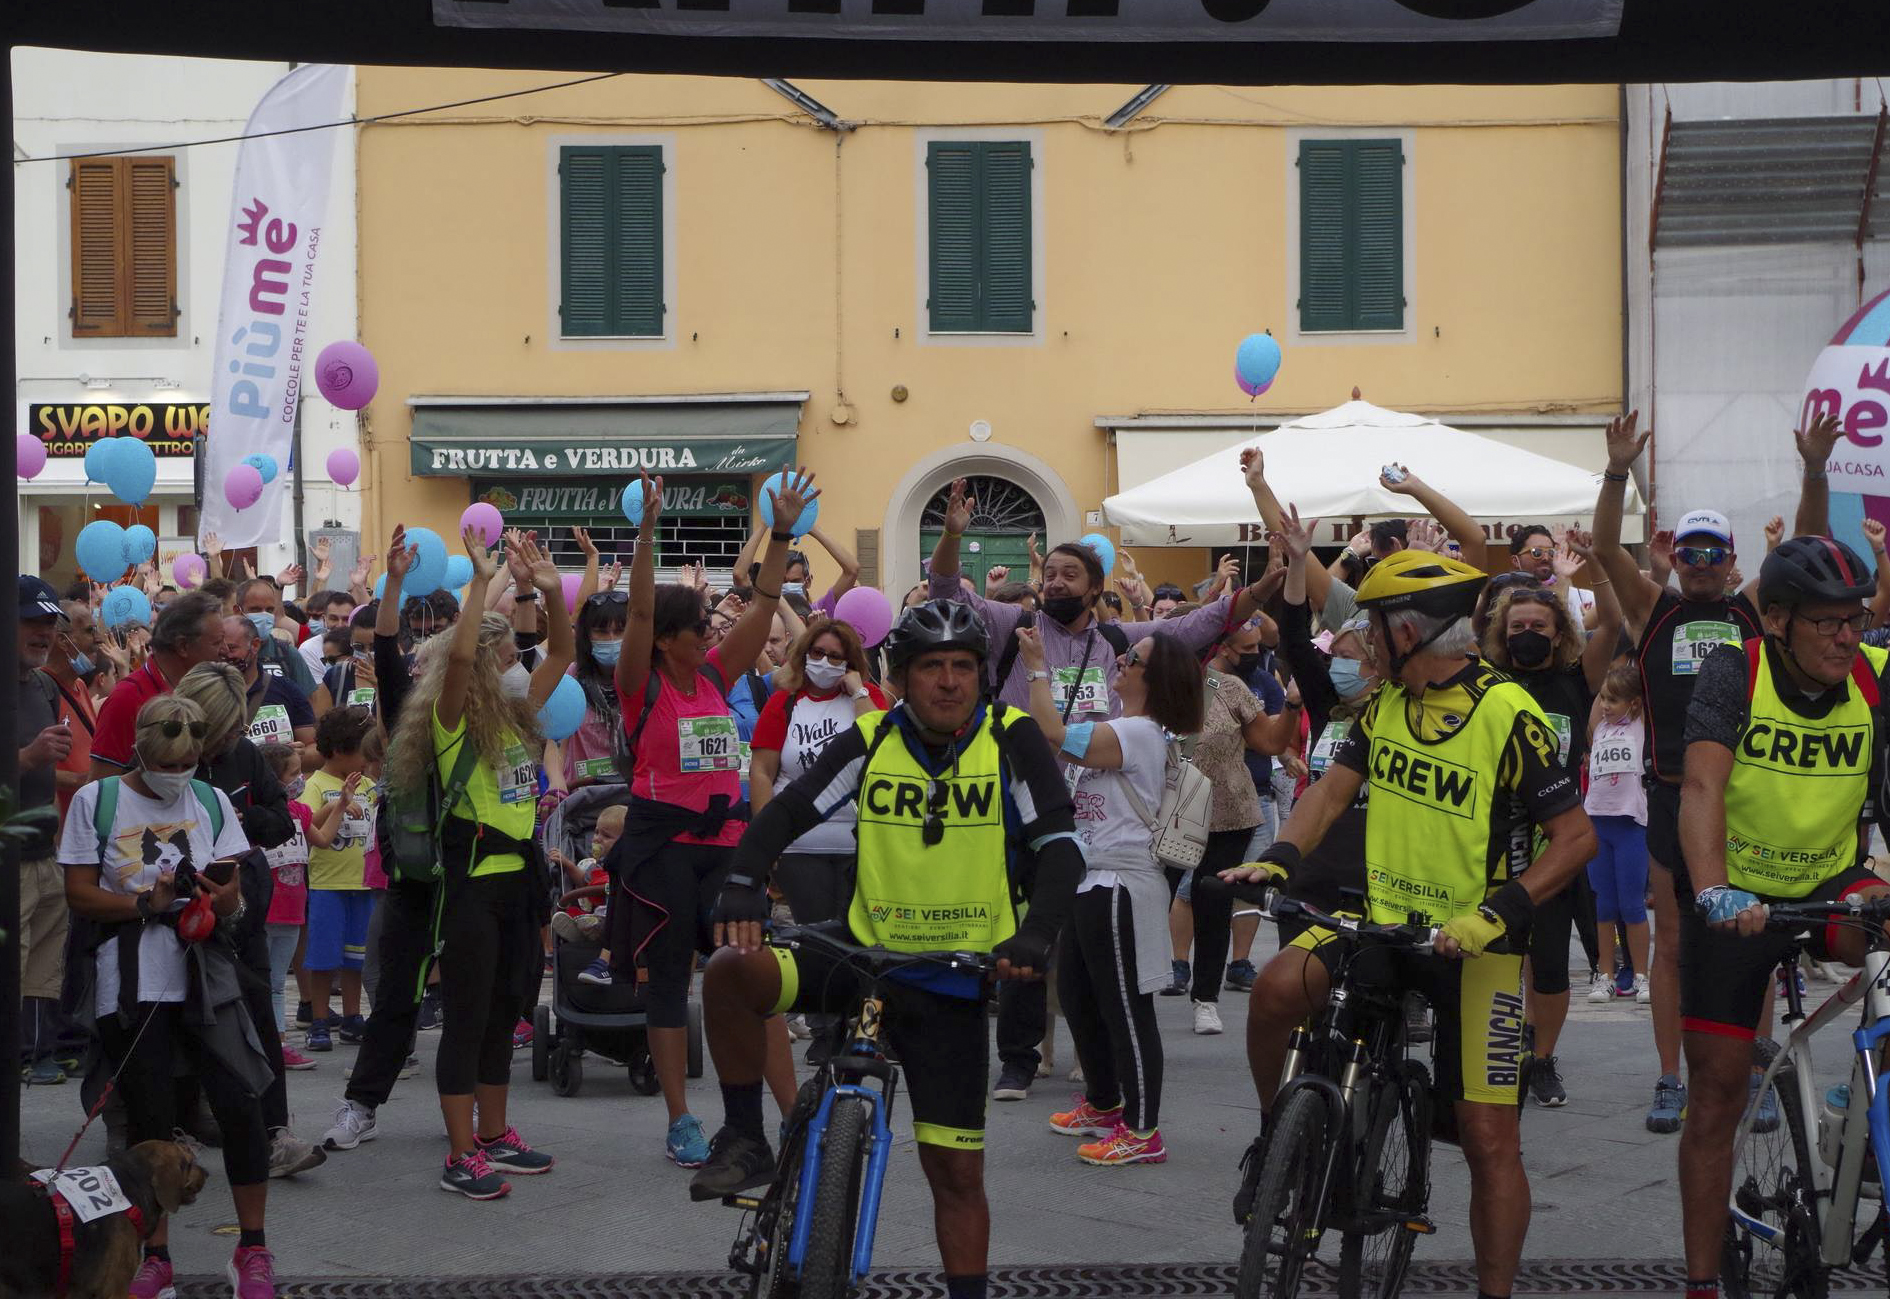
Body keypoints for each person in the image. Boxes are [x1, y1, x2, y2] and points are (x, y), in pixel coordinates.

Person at [689, 599, 1084, 1299]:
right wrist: (744, 880)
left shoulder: (1010, 736)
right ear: (901, 677)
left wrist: (1036, 932)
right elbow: (790, 808)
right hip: (862, 957)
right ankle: (745, 1134)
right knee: (730, 972)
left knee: (956, 1176)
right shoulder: (873, 735)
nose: (949, 681)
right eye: (931, 666)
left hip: (955, 977)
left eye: (962, 665)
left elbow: (1059, 845)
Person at [1229, 548, 1595, 1299]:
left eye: (1372, 624)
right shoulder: (1388, 702)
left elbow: (1576, 838)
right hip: (1380, 918)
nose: (1362, 639)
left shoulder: (1509, 715)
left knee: (1490, 1140)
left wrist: (1495, 915)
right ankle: (1278, 1138)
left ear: (1409, 632)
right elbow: (1331, 792)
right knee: (1274, 991)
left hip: (1477, 944)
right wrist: (1279, 859)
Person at [926, 477, 1250, 1100]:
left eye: (1069, 574)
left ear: (1095, 589)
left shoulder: (1118, 644)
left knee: (1085, 950)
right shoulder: (1013, 626)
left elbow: (1199, 626)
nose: (1054, 582)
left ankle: (1097, 1069)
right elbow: (945, 591)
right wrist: (951, 536)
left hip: (1102, 825)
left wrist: (1254, 589)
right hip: (1021, 804)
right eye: (1049, 573)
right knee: (1023, 928)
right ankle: (1019, 1059)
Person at [1589, 409, 1834, 1133]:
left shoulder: (1754, 609)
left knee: (1747, 939)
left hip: (1742, 800)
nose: (1698, 562)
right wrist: (1617, 471)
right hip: (1670, 795)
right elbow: (1604, 547)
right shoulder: (1653, 609)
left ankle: (1752, 1069)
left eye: (1712, 551)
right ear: (1678, 556)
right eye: (1689, 551)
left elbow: (1810, 545)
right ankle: (1672, 1077)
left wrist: (1813, 469)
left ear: (1732, 560)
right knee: (1672, 944)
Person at [1674, 534, 1888, 1299]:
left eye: (1855, 618)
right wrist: (1713, 890)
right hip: (1737, 895)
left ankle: (1867, 1114)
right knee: (1717, 1093)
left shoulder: (1875, 677)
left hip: (1833, 881)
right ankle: (1703, 1281)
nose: (1846, 635)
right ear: (1777, 621)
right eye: (1827, 621)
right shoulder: (1736, 669)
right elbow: (1701, 787)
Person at [612, 470, 813, 1168]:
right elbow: (639, 615)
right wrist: (647, 533)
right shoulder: (640, 684)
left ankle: (792, 1114)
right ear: (667, 639)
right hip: (663, 846)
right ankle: (681, 1120)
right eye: (699, 627)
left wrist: (780, 534)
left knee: (755, 975)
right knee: (671, 981)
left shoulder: (716, 676)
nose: (712, 633)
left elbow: (763, 608)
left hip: (726, 843)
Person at [60, 693, 279, 1298]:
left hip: (206, 969)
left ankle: (252, 1248)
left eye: (187, 766)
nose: (177, 776)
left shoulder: (210, 800)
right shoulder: (97, 800)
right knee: (149, 1118)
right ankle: (154, 1254)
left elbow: (234, 890)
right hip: (132, 975)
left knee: (241, 1104)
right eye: (166, 765)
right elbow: (79, 893)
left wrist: (225, 899)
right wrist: (143, 903)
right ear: (140, 750)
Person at [383, 528, 571, 1199]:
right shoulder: (450, 719)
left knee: (505, 1009)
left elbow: (562, 653)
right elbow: (459, 655)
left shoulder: (517, 717)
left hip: (519, 880)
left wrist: (550, 592)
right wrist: (480, 583)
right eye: (505, 655)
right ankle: (460, 1153)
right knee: (467, 1015)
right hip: (470, 885)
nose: (515, 664)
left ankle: (494, 1134)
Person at [1017, 623, 1202, 1164]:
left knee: (1125, 1009)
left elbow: (1051, 732)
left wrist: (1036, 667)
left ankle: (1143, 1132)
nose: (1121, 661)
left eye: (1133, 658)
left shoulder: (1139, 732)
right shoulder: (1125, 728)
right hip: (1091, 877)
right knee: (1079, 997)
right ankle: (1102, 1103)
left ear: (1155, 677)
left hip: (1121, 884)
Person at [1477, 532, 1620, 1107]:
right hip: (1491, 839)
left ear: (1559, 633)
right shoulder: (1485, 681)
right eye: (1517, 627)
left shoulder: (1576, 681)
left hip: (1555, 842)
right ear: (1501, 633)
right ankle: (1495, 1048)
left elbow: (1613, 623)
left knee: (1551, 963)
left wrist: (1593, 567)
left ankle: (1541, 1058)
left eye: (1539, 625)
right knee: (1494, 954)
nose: (1528, 633)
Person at [322, 529, 433, 1153]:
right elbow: (387, 643)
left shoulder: (486, 717)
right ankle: (360, 1106)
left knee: (481, 995)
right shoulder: (409, 708)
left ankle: (481, 1114)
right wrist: (392, 582)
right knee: (393, 994)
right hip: (413, 874)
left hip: (473, 869)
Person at [1158, 624, 1291, 1035]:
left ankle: (1206, 999)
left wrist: (1294, 706)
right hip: (1162, 815)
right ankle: (1140, 986)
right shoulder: (1148, 686)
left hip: (1228, 814)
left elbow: (1269, 742)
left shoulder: (1228, 687)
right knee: (1149, 899)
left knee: (1212, 903)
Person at [749, 617, 888, 931]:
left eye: (835, 656)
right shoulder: (784, 702)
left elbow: (882, 753)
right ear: (804, 654)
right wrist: (765, 839)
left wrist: (858, 692)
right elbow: (761, 772)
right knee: (818, 936)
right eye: (817, 653)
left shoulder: (868, 698)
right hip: (799, 847)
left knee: (859, 937)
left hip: (861, 847)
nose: (824, 662)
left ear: (850, 662)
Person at [17, 575, 73, 1086]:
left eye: (50, 623)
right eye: (32, 622)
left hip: (43, 854)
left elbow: (49, 770)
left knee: (45, 967)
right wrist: (26, 758)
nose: (44, 633)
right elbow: (34, 760)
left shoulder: (42, 685)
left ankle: (38, 1054)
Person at [296, 706, 377, 1052]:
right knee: (323, 958)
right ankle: (318, 1020)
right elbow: (306, 821)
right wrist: (335, 806)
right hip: (328, 885)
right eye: (363, 751)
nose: (368, 759)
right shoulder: (316, 784)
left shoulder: (369, 786)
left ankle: (352, 1016)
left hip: (363, 884)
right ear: (341, 750)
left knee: (356, 958)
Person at [89, 589, 225, 779]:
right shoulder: (127, 698)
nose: (225, 650)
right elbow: (102, 784)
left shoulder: (206, 689)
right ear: (183, 646)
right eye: (217, 643)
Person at [1584, 664, 1650, 1004]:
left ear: (1635, 703)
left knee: (1632, 905)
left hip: (1630, 825)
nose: (1606, 705)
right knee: (1604, 906)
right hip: (1598, 823)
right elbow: (1598, 696)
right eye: (1603, 699)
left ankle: (1641, 977)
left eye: (1613, 700)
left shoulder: (1641, 727)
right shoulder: (1599, 729)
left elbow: (1649, 694)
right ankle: (1605, 976)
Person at [256, 741, 315, 1058]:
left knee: (277, 981)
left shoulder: (301, 812)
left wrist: (341, 805)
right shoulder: (259, 816)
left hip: (293, 913)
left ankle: (277, 1044)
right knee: (262, 981)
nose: (300, 779)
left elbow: (321, 836)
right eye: (294, 773)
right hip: (266, 912)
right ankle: (267, 1044)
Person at [223, 614, 318, 768]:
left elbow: (315, 750)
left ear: (255, 645)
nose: (224, 654)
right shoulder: (207, 692)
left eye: (231, 648)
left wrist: (293, 757)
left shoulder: (286, 689)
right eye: (219, 648)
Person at [48, 596, 100, 825]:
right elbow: (27, 766)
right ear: (63, 640)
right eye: (90, 631)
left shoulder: (79, 685)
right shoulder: (40, 689)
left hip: (86, 824)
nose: (98, 639)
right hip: (60, 830)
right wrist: (84, 781)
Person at [236, 576, 317, 695]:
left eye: (269, 610)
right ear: (238, 611)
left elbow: (313, 700)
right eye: (255, 609)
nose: (264, 615)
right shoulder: (225, 652)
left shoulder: (287, 653)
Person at [310, 605, 379, 721]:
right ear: (351, 642)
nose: (366, 652)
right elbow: (320, 723)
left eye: (373, 647)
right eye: (359, 646)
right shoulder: (336, 676)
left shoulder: (400, 675)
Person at [298, 590, 359, 679]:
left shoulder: (364, 646)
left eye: (346, 619)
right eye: (334, 619)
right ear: (324, 620)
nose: (340, 625)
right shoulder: (308, 649)